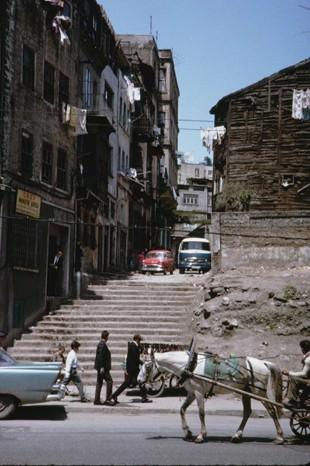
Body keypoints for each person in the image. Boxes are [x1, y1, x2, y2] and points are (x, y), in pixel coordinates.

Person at [109, 334, 151, 404]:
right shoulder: (133, 346)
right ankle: (144, 397)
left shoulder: (134, 345)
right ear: (137, 339)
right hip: (133, 369)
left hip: (132, 368)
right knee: (141, 381)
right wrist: (142, 363)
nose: (140, 342)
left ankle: (114, 395)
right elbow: (135, 358)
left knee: (127, 383)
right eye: (139, 340)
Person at [282, 339, 310, 408]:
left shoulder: (308, 359)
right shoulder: (307, 357)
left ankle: (293, 401)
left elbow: (304, 374)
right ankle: (300, 399)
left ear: (303, 349)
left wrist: (289, 373)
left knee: (294, 379)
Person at [94, 330, 114, 406]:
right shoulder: (102, 344)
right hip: (103, 368)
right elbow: (101, 356)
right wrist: (102, 367)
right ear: (106, 337)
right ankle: (108, 399)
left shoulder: (100, 344)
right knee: (110, 381)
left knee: (99, 382)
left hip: (100, 367)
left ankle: (97, 400)